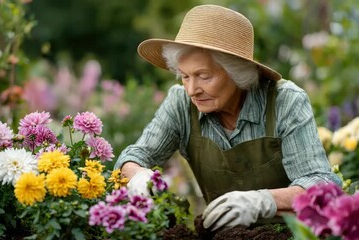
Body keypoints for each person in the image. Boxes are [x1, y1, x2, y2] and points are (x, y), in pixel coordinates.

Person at [114, 4, 341, 231]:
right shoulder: (181, 103)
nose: (192, 89)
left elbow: (321, 184)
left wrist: (263, 201)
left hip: (292, 234)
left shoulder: (285, 102)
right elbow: (135, 155)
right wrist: (137, 175)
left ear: (237, 72)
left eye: (204, 76)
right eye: (185, 76)